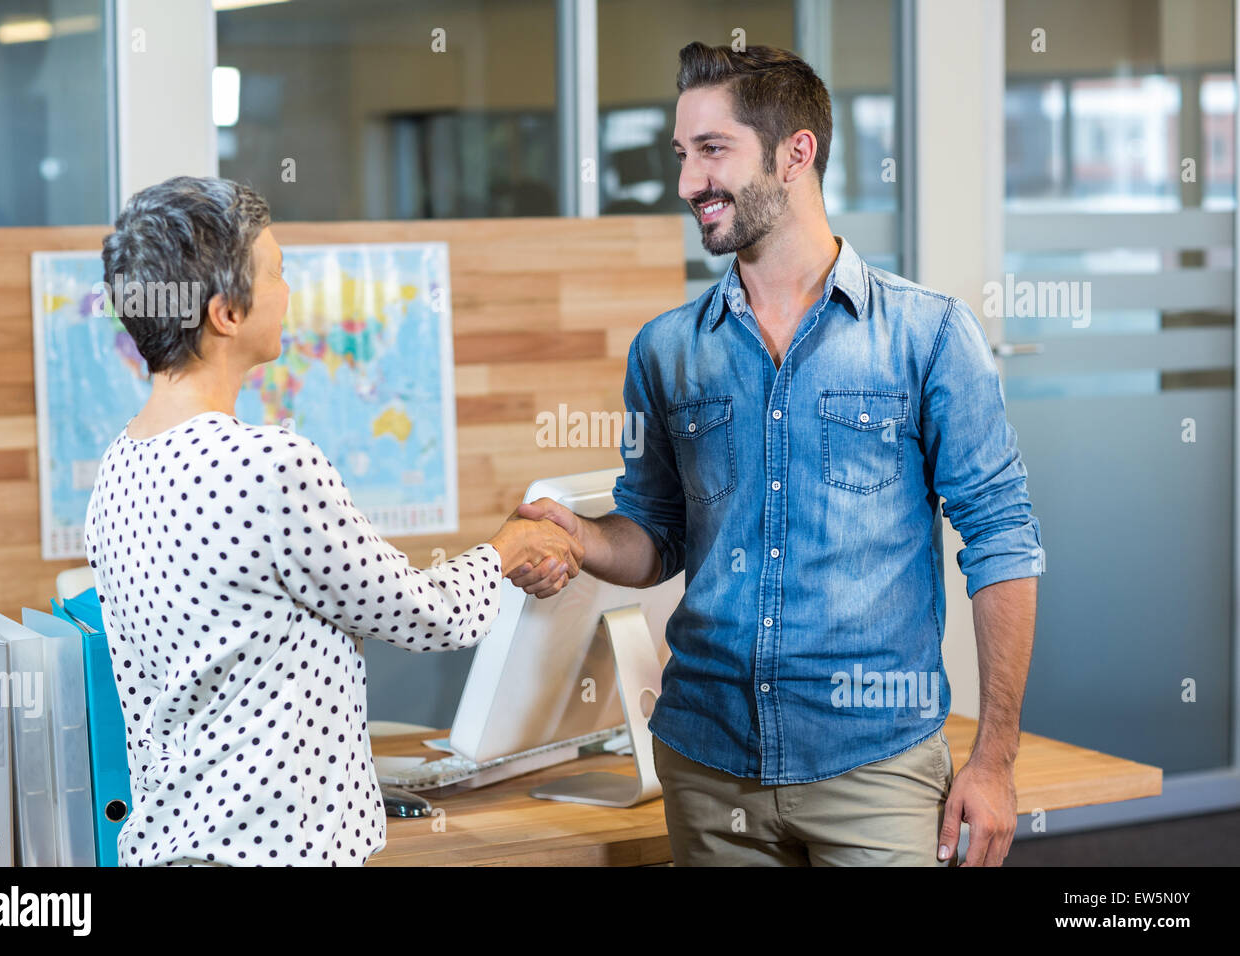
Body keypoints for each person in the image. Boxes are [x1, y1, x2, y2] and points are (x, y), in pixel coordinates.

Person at [518, 42, 1045, 867]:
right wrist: (582, 539)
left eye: (713, 150)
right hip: (707, 763)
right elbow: (658, 536)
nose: (690, 182)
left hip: (876, 770)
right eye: (683, 155)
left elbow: (1003, 540)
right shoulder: (667, 351)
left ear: (796, 153)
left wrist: (996, 760)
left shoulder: (929, 334)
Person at [84, 176, 581, 866]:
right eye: (277, 272)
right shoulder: (269, 464)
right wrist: (505, 551)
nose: (288, 292)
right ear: (227, 313)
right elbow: (424, 615)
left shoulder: (118, 466)